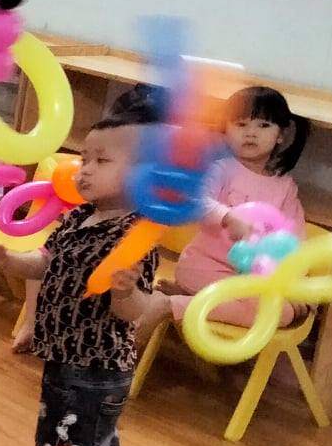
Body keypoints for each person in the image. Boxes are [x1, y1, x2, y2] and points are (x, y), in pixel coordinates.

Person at [0, 96, 162, 446]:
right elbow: (45, 263)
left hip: (94, 364)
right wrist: (7, 260)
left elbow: (133, 312)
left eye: (102, 161)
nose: (85, 169)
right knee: (96, 431)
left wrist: (126, 292)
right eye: (85, 158)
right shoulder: (80, 215)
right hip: (66, 354)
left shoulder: (136, 237)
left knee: (66, 439)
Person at [118, 85, 308, 334]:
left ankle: (183, 299)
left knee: (285, 309)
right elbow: (195, 200)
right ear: (226, 130)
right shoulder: (222, 168)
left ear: (281, 134)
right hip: (205, 268)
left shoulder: (285, 186)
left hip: (250, 280)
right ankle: (170, 305)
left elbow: (295, 239)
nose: (251, 133)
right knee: (279, 313)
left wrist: (293, 286)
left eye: (263, 125)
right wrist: (227, 217)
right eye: (241, 124)